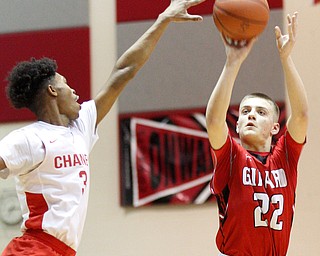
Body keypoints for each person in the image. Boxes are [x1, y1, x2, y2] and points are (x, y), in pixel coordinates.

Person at [0, 0, 207, 255]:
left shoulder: (80, 126)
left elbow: (124, 70)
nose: (75, 92)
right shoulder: (29, 139)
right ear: (52, 91)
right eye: (66, 84)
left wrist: (162, 20)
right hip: (33, 248)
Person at [206, 12, 308, 256]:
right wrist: (232, 63)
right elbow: (214, 120)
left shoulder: (285, 158)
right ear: (238, 125)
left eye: (261, 112)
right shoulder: (231, 156)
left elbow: (302, 115)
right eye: (245, 111)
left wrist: (286, 60)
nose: (251, 115)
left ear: (275, 127)